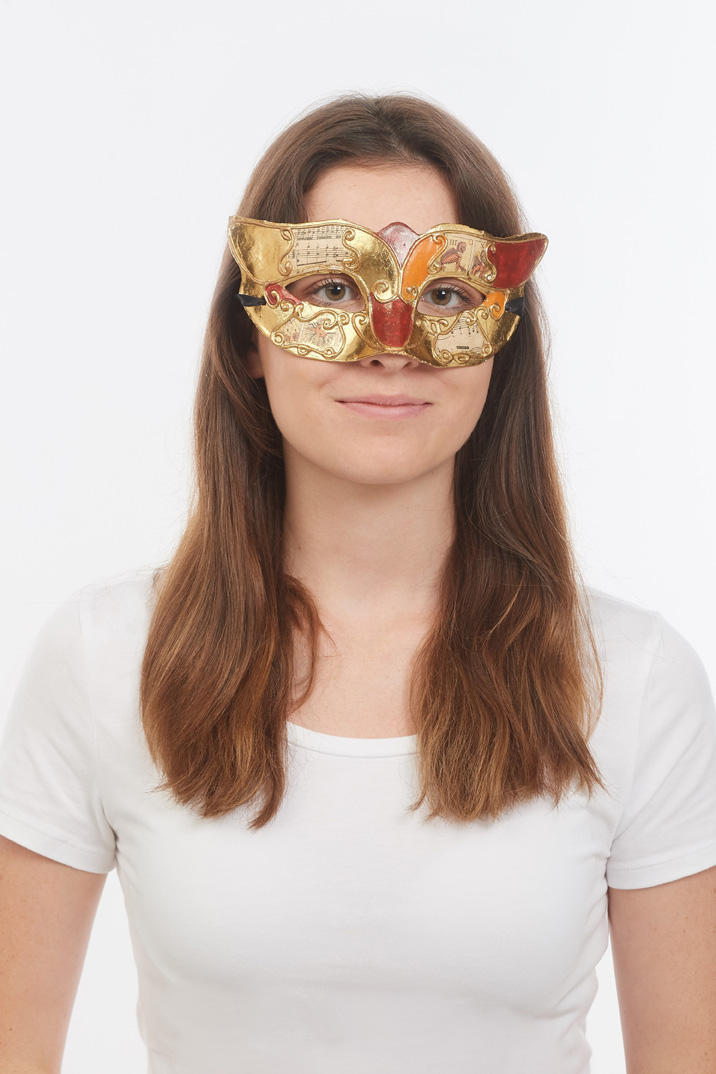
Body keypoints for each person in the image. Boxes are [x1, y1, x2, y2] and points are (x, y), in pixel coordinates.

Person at [1, 93, 715, 1074]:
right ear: (248, 338)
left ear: (503, 339)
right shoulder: (105, 655)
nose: (391, 335)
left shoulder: (633, 680)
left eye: (446, 295)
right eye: (332, 288)